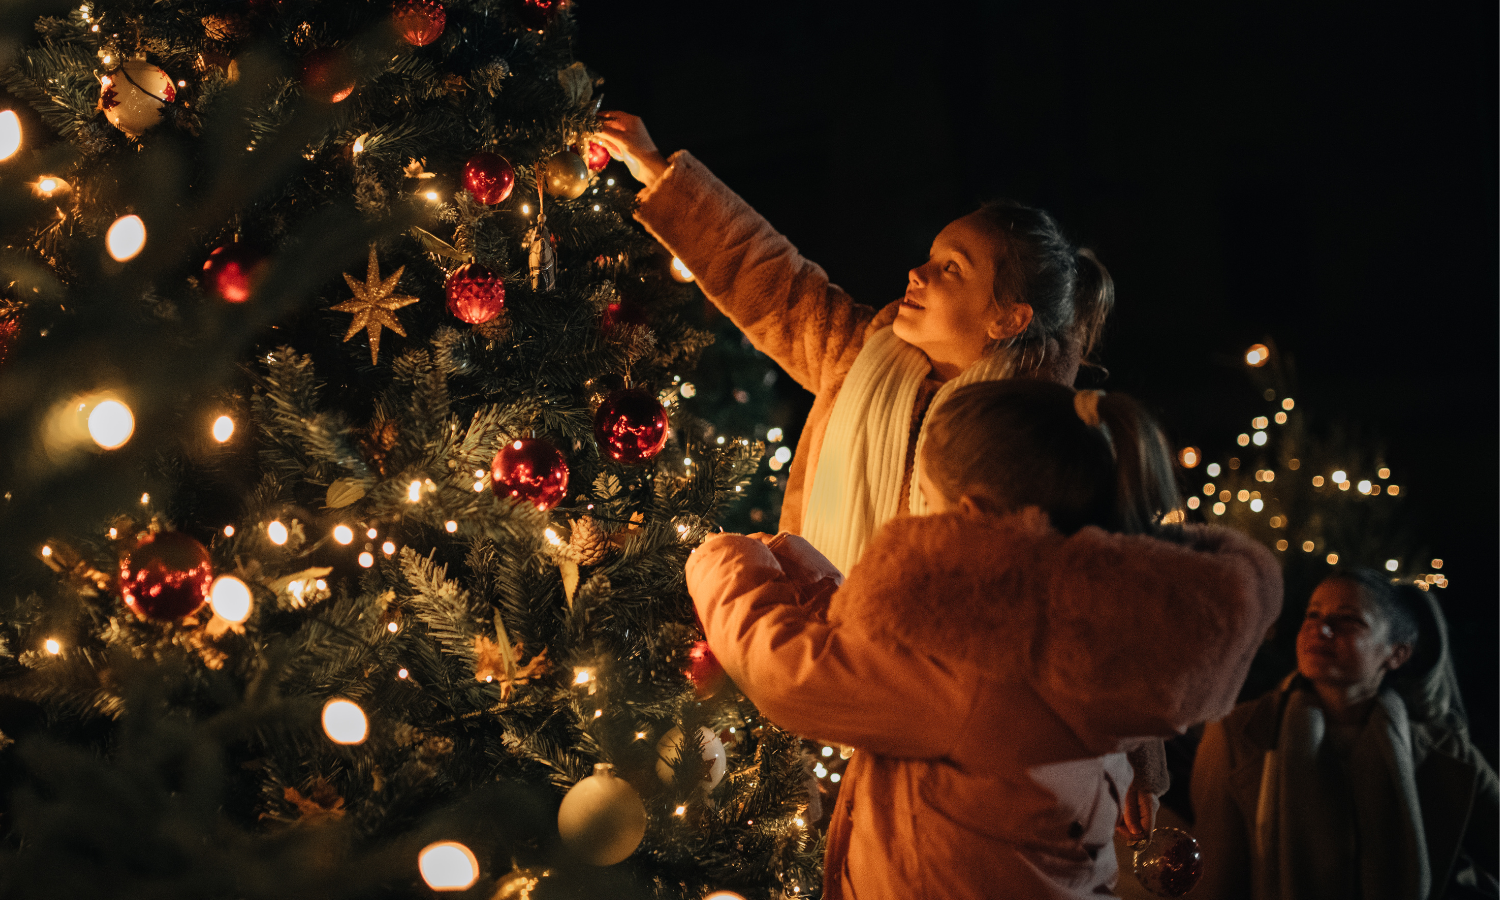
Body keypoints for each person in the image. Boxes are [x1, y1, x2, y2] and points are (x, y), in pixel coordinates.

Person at [596, 113, 1170, 831]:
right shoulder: (857, 356)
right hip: (817, 705)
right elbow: (769, 277)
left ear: (1007, 318)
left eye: (951, 268)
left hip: (948, 748)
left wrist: (1141, 765)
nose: (917, 273)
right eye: (930, 256)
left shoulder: (1046, 440)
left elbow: (1105, 599)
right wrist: (659, 172)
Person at [685, 380, 1283, 900]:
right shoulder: (1087, 623)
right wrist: (795, 565)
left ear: (970, 513)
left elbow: (789, 668)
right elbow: (888, 657)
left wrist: (724, 556)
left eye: (927, 500)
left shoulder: (975, 667)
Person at [1190, 570, 1498, 900]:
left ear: (1396, 654)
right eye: (1313, 614)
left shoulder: (1446, 753)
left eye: (1349, 620)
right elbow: (1214, 879)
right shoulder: (1240, 733)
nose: (1320, 629)